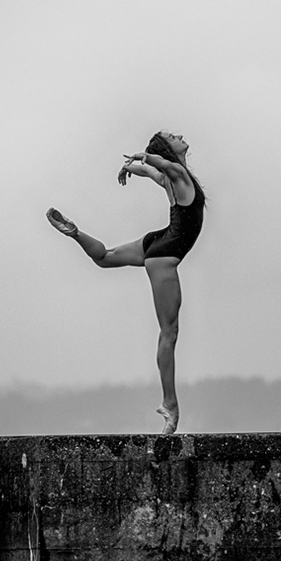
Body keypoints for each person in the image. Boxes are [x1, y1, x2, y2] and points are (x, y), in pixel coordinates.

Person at [46, 131, 205, 435]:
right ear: (167, 149)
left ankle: (76, 233)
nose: (180, 135)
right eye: (173, 136)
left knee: (104, 257)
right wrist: (145, 158)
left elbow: (153, 172)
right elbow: (161, 165)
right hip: (165, 255)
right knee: (169, 333)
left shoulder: (171, 179)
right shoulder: (177, 173)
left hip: (158, 240)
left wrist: (132, 167)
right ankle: (170, 405)